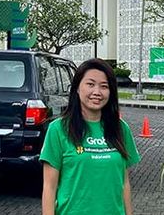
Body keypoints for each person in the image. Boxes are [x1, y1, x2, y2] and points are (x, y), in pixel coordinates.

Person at [40, 58, 141, 215]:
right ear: (78, 88)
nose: (97, 92)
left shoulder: (120, 128)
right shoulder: (58, 129)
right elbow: (49, 187)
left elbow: (124, 183)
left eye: (104, 86)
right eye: (90, 84)